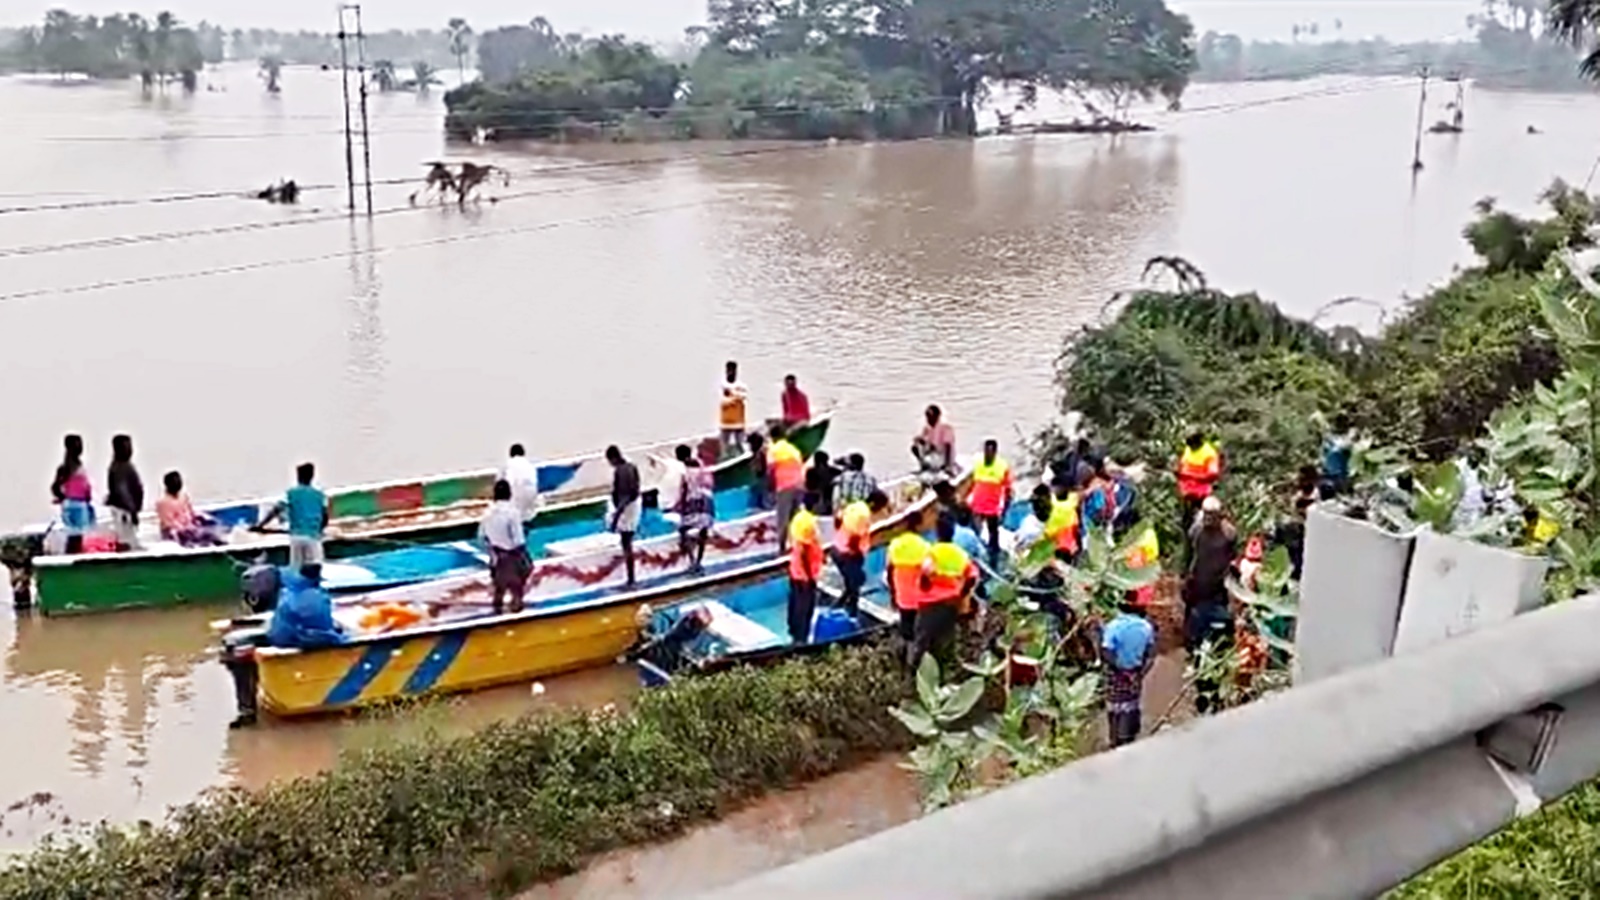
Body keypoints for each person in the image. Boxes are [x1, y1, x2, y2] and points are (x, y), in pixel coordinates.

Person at [1185, 496, 1238, 715]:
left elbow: (1232, 556)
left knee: (1217, 623)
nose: (1208, 519)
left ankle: (1216, 649)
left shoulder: (1228, 533)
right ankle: (1193, 646)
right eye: (1206, 515)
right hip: (1198, 582)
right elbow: (1189, 554)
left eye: (1212, 516)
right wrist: (1185, 575)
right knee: (1195, 622)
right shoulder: (1196, 531)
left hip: (1218, 584)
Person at [914, 514, 978, 668]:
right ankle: (943, 671)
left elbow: (926, 570)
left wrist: (924, 585)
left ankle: (917, 673)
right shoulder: (960, 555)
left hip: (930, 603)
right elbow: (972, 577)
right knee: (945, 639)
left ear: (937, 532)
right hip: (951, 603)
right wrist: (961, 594)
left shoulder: (933, 551)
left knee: (923, 640)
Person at [1102, 591, 1157, 748]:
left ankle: (1113, 739)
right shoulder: (1146, 628)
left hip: (1115, 672)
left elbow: (1107, 651)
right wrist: (1140, 673)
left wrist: (1119, 668)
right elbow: (1151, 655)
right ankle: (1127, 739)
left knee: (1113, 707)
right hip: (1135, 671)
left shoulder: (1113, 626)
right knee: (1130, 705)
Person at [258, 463, 329, 569]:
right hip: (314, 537)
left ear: (298, 476)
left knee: (296, 569)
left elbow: (276, 509)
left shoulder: (290, 494)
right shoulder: (320, 496)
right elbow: (325, 517)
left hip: (296, 537)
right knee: (316, 568)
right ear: (312, 476)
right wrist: (320, 530)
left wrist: (260, 525)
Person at [833, 489, 888, 616]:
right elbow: (855, 538)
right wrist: (857, 553)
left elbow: (838, 519)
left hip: (837, 547)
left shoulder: (854, 506)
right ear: (874, 504)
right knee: (855, 585)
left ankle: (839, 605)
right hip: (849, 554)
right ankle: (851, 613)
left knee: (850, 585)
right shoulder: (863, 515)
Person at [480, 479, 531, 614]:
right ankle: (516, 615)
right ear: (509, 494)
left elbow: (481, 536)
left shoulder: (487, 512)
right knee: (516, 590)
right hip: (511, 556)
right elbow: (518, 540)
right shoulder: (512, 513)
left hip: (495, 556)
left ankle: (497, 616)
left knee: (499, 590)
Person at [266, 565, 346, 650]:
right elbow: (318, 624)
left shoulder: (289, 591)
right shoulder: (314, 595)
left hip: (279, 638)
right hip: (296, 640)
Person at [787, 491, 825, 644]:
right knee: (804, 606)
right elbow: (804, 551)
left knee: (795, 602)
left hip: (795, 569)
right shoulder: (808, 523)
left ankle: (794, 631)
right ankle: (801, 638)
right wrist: (809, 575)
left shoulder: (798, 518)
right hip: (805, 573)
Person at [969, 439, 1012, 567]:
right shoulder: (978, 463)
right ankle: (976, 557)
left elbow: (1008, 490)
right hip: (977, 505)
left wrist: (1004, 509)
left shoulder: (1002, 466)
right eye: (986, 451)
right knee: (975, 532)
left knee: (993, 534)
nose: (988, 454)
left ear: (995, 452)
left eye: (990, 452)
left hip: (992, 507)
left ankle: (994, 560)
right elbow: (973, 483)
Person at [156, 471, 225, 547]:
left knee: (211, 529)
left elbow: (191, 512)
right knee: (196, 535)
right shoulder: (163, 502)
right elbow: (169, 524)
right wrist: (187, 529)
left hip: (189, 527)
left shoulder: (183, 497)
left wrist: (198, 522)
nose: (177, 483)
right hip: (176, 533)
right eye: (174, 482)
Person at [675, 445, 715, 574]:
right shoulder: (700, 464)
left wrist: (679, 506)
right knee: (703, 531)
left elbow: (684, 489)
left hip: (694, 501)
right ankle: (698, 561)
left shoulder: (685, 470)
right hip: (707, 501)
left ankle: (692, 561)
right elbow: (710, 482)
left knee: (682, 529)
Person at [887, 530, 931, 648]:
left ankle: (905, 655)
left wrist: (892, 594)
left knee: (906, 626)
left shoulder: (895, 546)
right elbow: (928, 571)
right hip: (920, 598)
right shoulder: (924, 547)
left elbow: (889, 572)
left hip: (903, 596)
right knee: (920, 630)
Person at [51, 434, 93, 555]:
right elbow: (55, 487)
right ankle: (72, 556)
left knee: (79, 536)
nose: (80, 447)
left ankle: (76, 554)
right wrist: (64, 497)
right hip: (73, 504)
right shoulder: (66, 467)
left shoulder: (79, 465)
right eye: (76, 445)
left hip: (82, 503)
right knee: (74, 535)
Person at [1176, 432, 1222, 540]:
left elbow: (1212, 476)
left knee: (1200, 526)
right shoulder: (1188, 449)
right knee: (1186, 524)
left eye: (1192, 445)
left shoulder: (1209, 454)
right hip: (1187, 494)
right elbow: (1184, 464)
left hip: (1201, 496)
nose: (1190, 447)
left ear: (1198, 442)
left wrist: (1189, 476)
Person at [607, 445, 642, 588]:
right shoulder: (632, 466)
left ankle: (631, 579)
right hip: (635, 505)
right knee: (628, 540)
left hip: (627, 507)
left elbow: (624, 496)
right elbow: (636, 488)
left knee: (626, 543)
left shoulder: (619, 472)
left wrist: (616, 518)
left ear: (612, 458)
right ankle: (631, 578)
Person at [767, 424, 806, 553]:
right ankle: (797, 547)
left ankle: (782, 549)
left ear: (773, 437)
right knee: (795, 518)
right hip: (799, 485)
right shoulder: (793, 449)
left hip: (784, 486)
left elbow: (770, 470)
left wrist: (770, 488)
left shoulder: (774, 449)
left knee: (782, 518)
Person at [105, 435, 144, 552]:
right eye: (126, 447)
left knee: (131, 540)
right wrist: (132, 511)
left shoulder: (126, 465)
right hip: (123, 511)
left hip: (128, 510)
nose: (130, 450)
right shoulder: (118, 468)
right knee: (126, 542)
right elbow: (121, 491)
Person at [912, 405, 957, 478]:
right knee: (915, 447)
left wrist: (948, 466)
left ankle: (945, 468)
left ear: (937, 416)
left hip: (942, 457)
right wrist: (919, 441)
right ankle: (924, 467)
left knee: (933, 449)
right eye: (927, 416)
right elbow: (924, 440)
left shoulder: (946, 428)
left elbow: (947, 446)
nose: (928, 419)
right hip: (931, 457)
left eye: (930, 416)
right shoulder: (927, 429)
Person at [502, 443, 541, 519]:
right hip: (531, 499)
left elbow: (506, 483)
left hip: (516, 499)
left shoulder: (509, 464)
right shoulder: (530, 466)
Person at [1320, 414, 1354, 496]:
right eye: (1347, 485)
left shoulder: (1331, 478)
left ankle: (1336, 418)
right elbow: (1348, 455)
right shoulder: (1349, 472)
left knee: (1334, 436)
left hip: (1332, 448)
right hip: (1339, 447)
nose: (1345, 483)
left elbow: (1320, 477)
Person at [720, 360, 749, 459]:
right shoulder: (722, 385)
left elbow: (743, 396)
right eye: (728, 370)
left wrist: (732, 395)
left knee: (740, 445)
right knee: (724, 447)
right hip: (725, 422)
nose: (730, 373)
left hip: (738, 421)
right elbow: (724, 401)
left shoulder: (741, 386)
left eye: (733, 370)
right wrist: (735, 397)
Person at [805, 450, 840, 518]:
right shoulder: (834, 471)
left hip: (815, 503)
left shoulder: (811, 472)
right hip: (829, 502)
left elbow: (809, 486)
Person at [747, 433, 772, 511]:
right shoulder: (761, 453)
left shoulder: (757, 455)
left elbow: (759, 469)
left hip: (759, 479)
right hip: (761, 479)